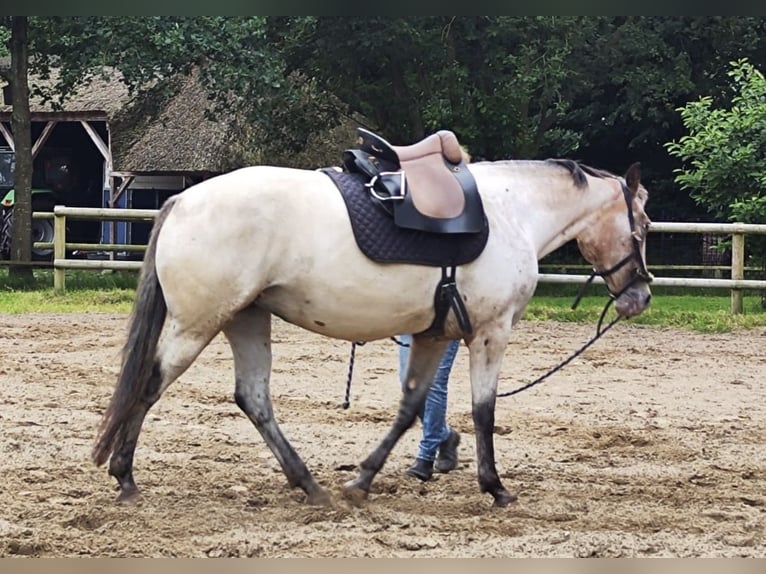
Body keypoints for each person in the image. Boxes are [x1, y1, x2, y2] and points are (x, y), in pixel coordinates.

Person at [398, 334, 461, 481]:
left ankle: (425, 458)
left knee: (434, 383)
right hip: (411, 319)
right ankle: (445, 435)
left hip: (446, 321)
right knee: (409, 383)